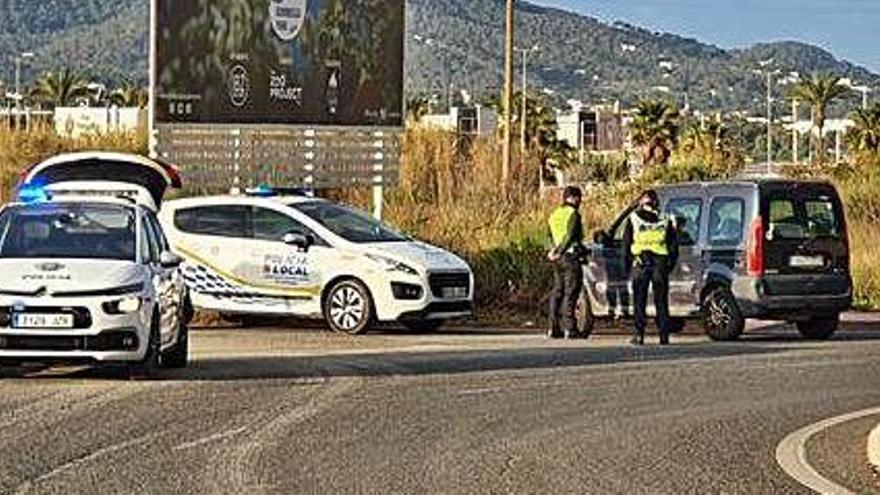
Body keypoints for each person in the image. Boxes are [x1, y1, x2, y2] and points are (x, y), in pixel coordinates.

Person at [622, 190, 679, 346]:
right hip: (660, 263)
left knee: (639, 301)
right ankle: (663, 335)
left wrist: (626, 267)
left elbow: (626, 245)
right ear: (656, 203)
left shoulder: (633, 219)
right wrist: (669, 265)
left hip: (640, 263)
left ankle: (639, 335)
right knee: (661, 301)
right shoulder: (666, 219)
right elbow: (673, 246)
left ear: (641, 203)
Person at [547, 186, 587, 339]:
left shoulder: (554, 214)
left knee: (557, 292)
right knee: (571, 293)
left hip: (556, 259)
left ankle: (553, 327)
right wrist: (561, 250)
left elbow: (548, 235)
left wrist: (552, 251)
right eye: (579, 198)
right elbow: (570, 236)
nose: (580, 201)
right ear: (573, 198)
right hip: (570, 257)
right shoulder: (573, 214)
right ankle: (570, 329)